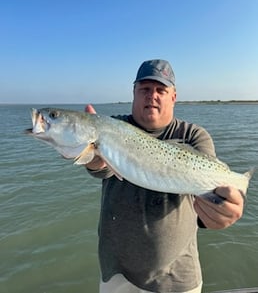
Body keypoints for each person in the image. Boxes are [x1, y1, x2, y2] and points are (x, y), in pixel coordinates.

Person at [85, 59, 244, 293]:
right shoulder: (112, 127)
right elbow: (102, 167)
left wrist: (222, 208)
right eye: (145, 89)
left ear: (173, 97)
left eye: (161, 90)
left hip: (176, 279)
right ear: (134, 93)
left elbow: (213, 189)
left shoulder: (193, 136)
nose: (152, 96)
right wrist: (93, 156)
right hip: (116, 273)